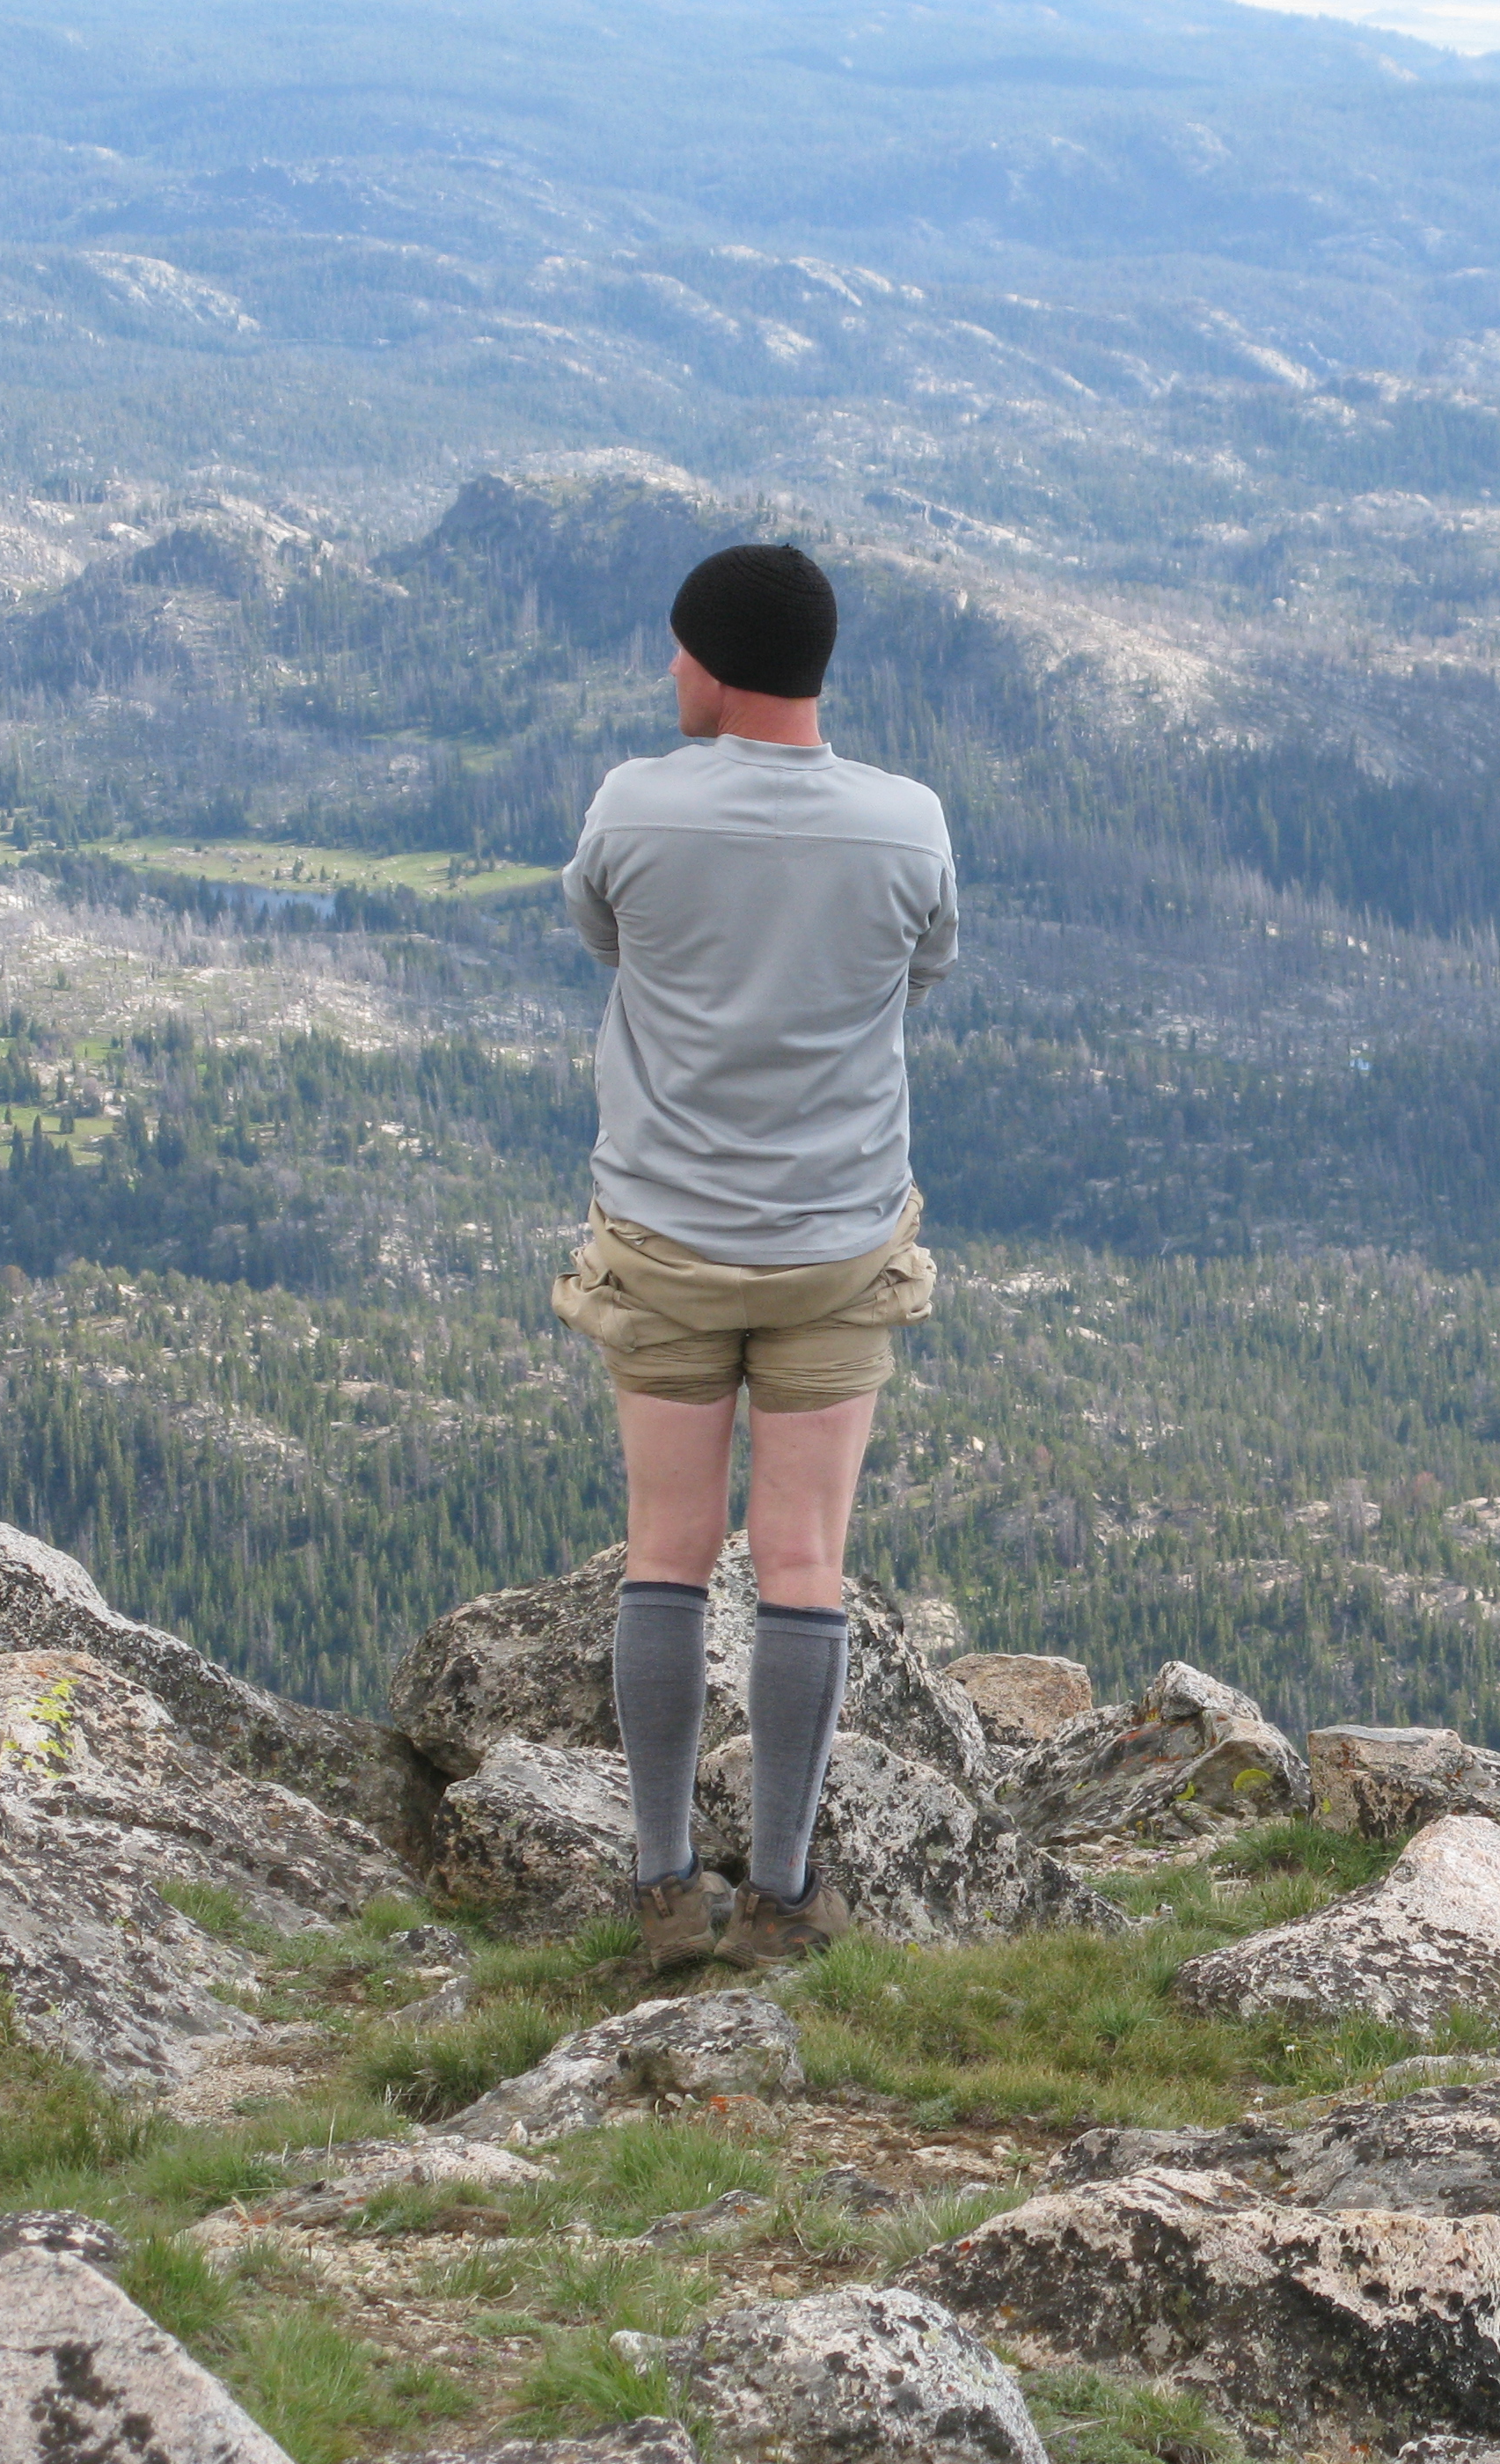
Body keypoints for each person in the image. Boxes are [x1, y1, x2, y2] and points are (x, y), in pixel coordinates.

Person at [552, 542, 956, 1969]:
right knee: (803, 1560)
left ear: (717, 664)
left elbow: (603, 933)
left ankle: (664, 1889)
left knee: (666, 1550)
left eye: (679, 651)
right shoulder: (906, 824)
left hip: (663, 1235)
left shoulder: (635, 805)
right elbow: (922, 970)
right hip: (835, 1247)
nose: (670, 672)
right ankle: (781, 1896)